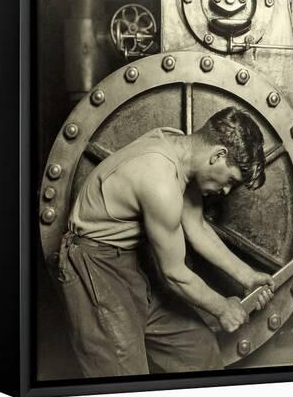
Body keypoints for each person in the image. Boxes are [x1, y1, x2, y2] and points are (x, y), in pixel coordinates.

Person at [56, 106, 275, 377]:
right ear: (219, 154)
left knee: (198, 350)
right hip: (95, 266)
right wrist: (223, 308)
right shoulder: (160, 181)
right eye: (230, 180)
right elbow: (174, 273)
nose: (227, 190)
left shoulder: (178, 145)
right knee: (124, 377)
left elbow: (196, 226)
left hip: (132, 261)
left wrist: (248, 276)